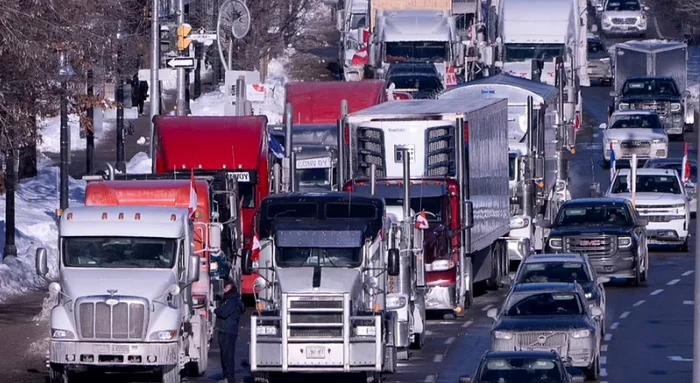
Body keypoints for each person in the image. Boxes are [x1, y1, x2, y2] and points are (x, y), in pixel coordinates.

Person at [215, 282, 245, 383]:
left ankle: (229, 378)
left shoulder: (231, 301)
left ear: (231, 289)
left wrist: (216, 310)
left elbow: (223, 313)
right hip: (229, 331)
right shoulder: (233, 300)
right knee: (226, 355)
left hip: (227, 331)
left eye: (226, 287)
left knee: (227, 356)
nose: (224, 289)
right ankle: (226, 377)